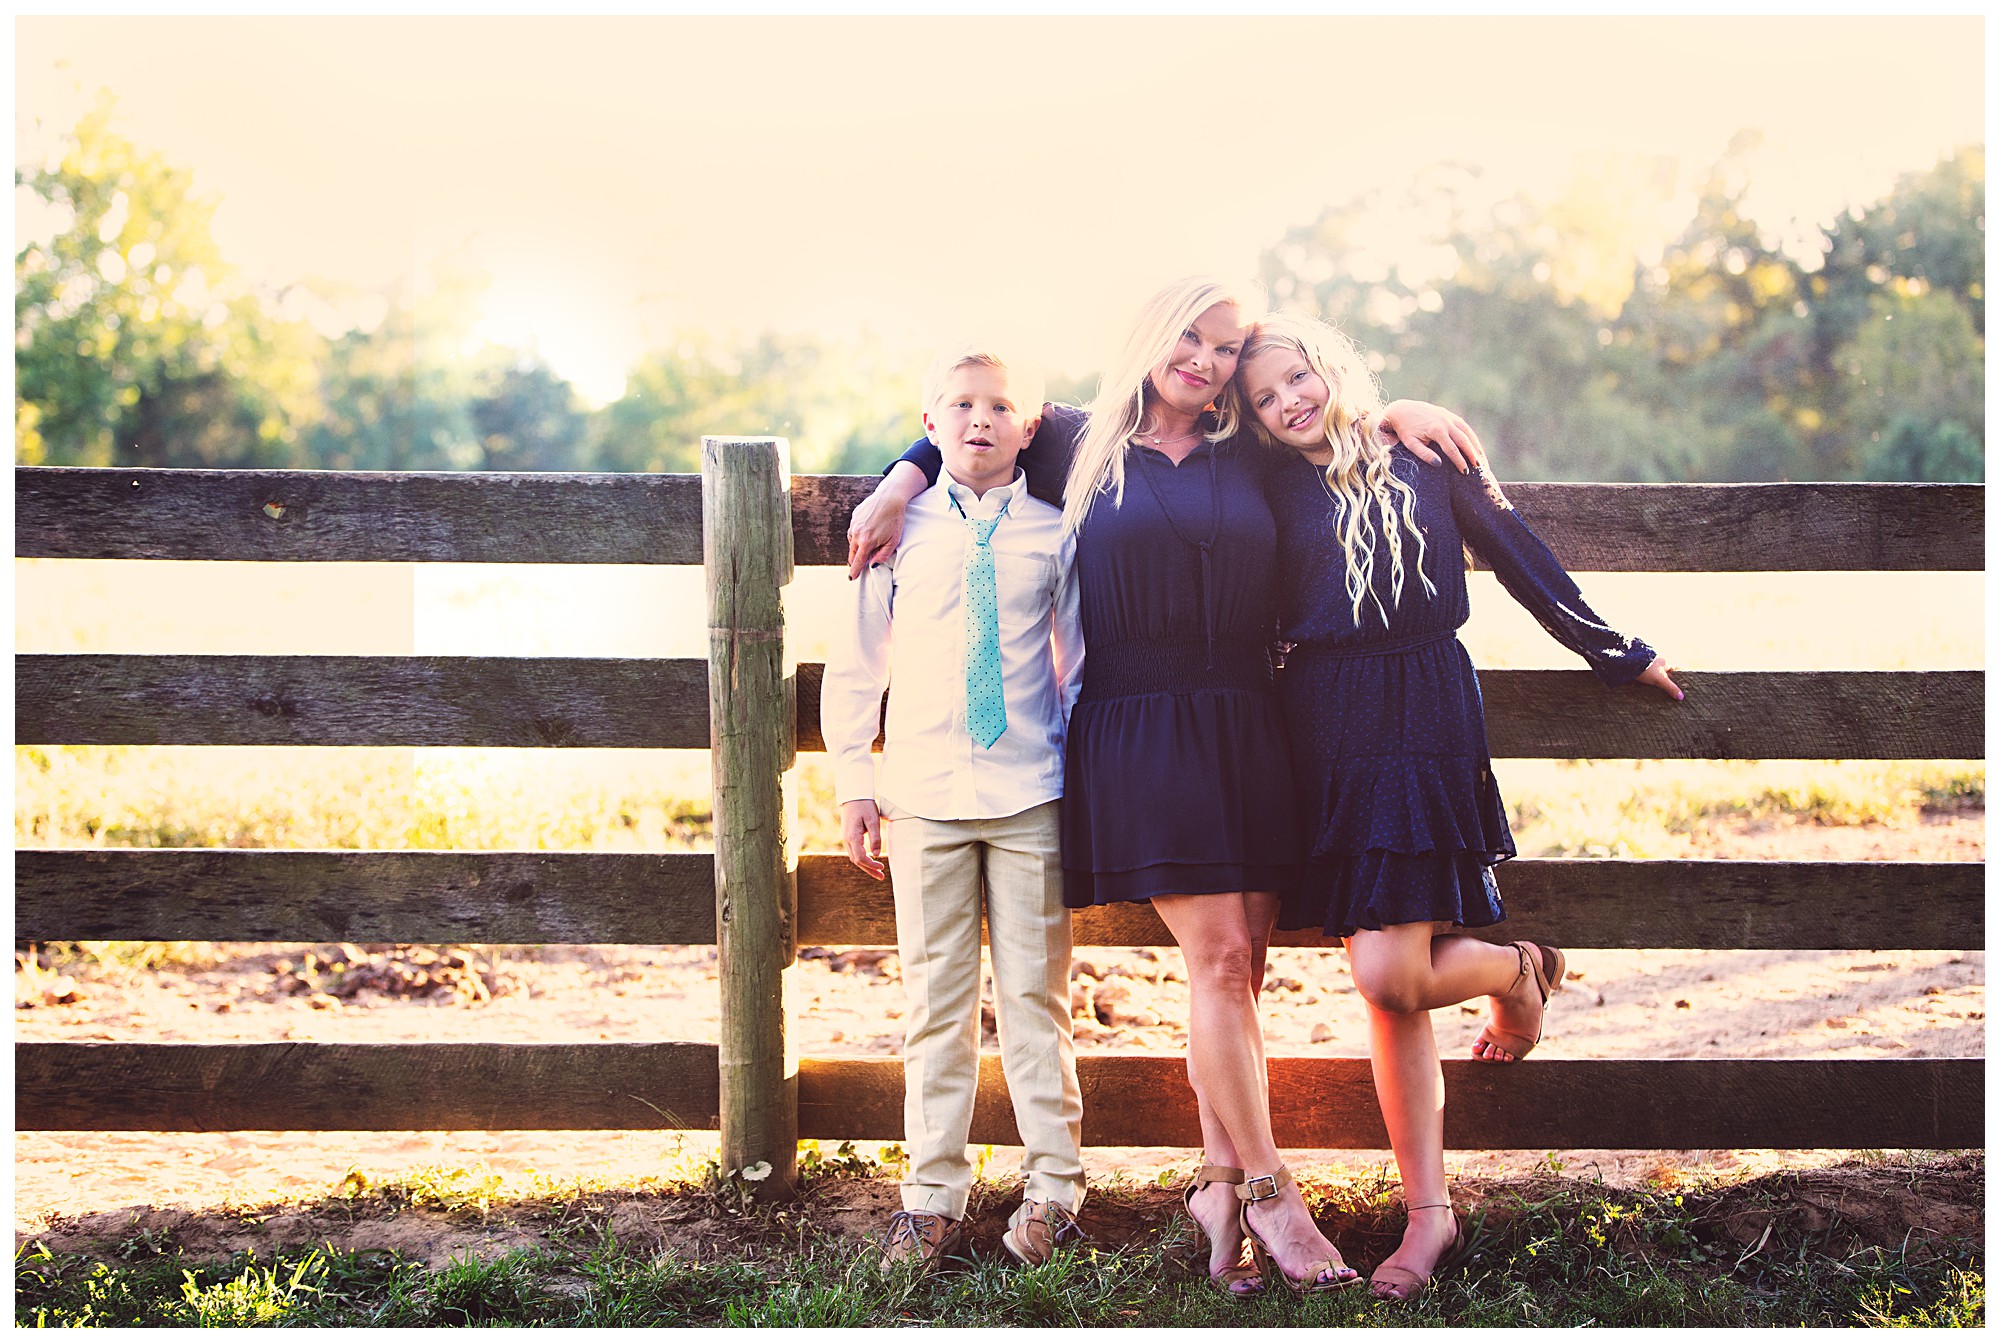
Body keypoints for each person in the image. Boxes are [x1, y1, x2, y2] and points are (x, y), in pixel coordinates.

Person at [844, 277, 1482, 1297]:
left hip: (1247, 722)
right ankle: (1272, 1193)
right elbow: (964, 427)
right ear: (1147, 335)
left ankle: (1216, 1193)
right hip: (1136, 727)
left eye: (1226, 347)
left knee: (1236, 975)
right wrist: (897, 478)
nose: (1207, 359)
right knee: (1220, 959)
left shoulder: (1248, 447)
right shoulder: (1074, 441)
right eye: (1190, 336)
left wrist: (1401, 412)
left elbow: (1329, 423)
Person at [1232, 311, 1683, 1301]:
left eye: (1296, 378)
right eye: (1264, 398)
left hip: (1422, 708)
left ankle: (1517, 974)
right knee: (1381, 980)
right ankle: (1428, 1210)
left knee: (1390, 973)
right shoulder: (1261, 479)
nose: (1288, 402)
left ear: (1329, 365)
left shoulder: (1419, 452)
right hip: (1320, 726)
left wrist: (1614, 649)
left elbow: (1517, 554)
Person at [821, 346, 1088, 1271]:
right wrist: (856, 778)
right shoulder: (898, 528)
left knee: (1034, 1000)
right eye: (961, 405)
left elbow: (1080, 662)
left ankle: (1055, 1187)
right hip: (924, 800)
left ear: (1030, 424)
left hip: (1030, 796)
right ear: (928, 425)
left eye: (999, 405)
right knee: (934, 1005)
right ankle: (931, 1196)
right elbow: (858, 662)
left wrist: (1083, 773)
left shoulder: (1057, 531)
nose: (980, 420)